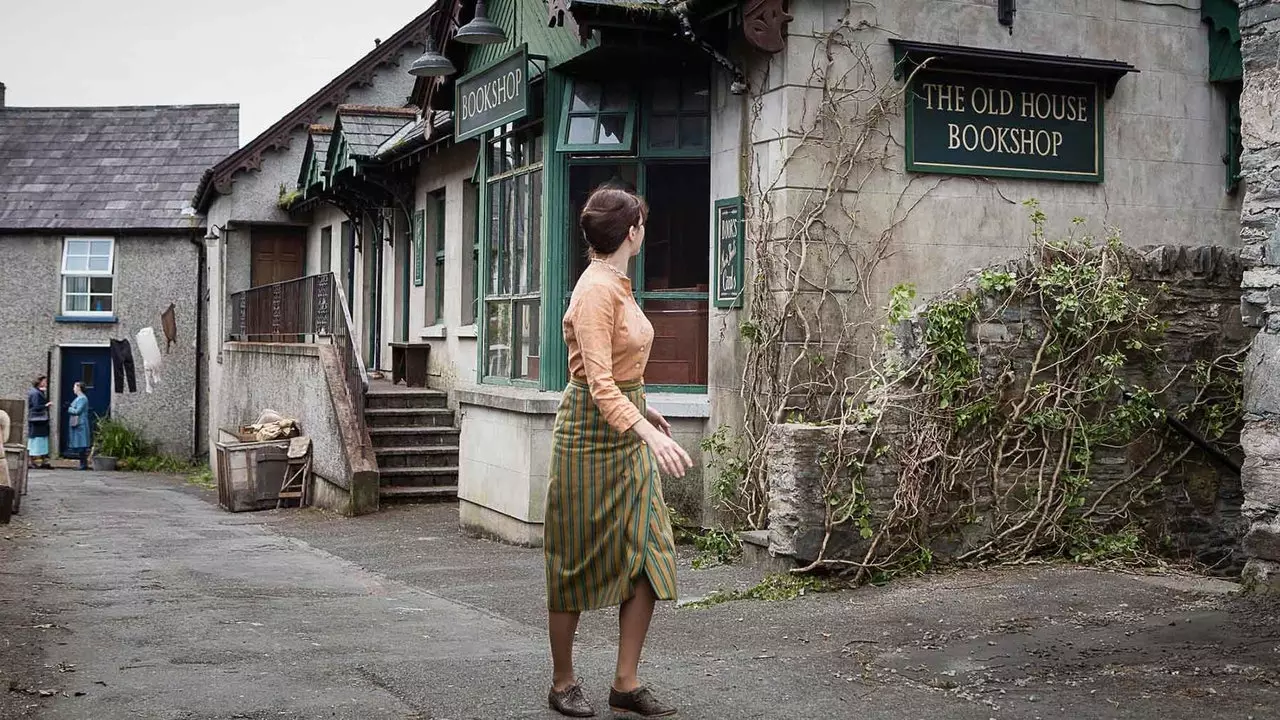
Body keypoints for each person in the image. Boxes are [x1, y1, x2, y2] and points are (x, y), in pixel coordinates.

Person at [544, 186, 695, 718]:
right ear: (632, 231)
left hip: (625, 427)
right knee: (574, 558)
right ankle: (563, 682)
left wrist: (645, 411)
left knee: (651, 553)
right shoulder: (594, 291)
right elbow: (598, 383)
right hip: (587, 436)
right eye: (642, 223)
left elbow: (621, 373)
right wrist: (647, 432)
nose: (644, 231)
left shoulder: (619, 285)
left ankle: (624, 683)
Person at [26, 376, 52, 470]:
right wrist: (46, 405)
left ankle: (40, 460)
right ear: (40, 382)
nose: (46, 383)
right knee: (36, 440)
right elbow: (36, 406)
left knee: (39, 440)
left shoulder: (37, 392)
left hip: (38, 421)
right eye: (44, 381)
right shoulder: (36, 393)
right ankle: (32, 461)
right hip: (38, 420)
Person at [67, 382, 91, 470]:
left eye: (74, 387)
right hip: (78, 424)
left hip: (80, 424)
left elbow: (78, 411)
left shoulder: (82, 399)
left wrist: (68, 408)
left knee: (82, 444)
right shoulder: (79, 398)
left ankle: (83, 464)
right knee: (80, 444)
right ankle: (82, 463)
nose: (73, 389)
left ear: (79, 388)